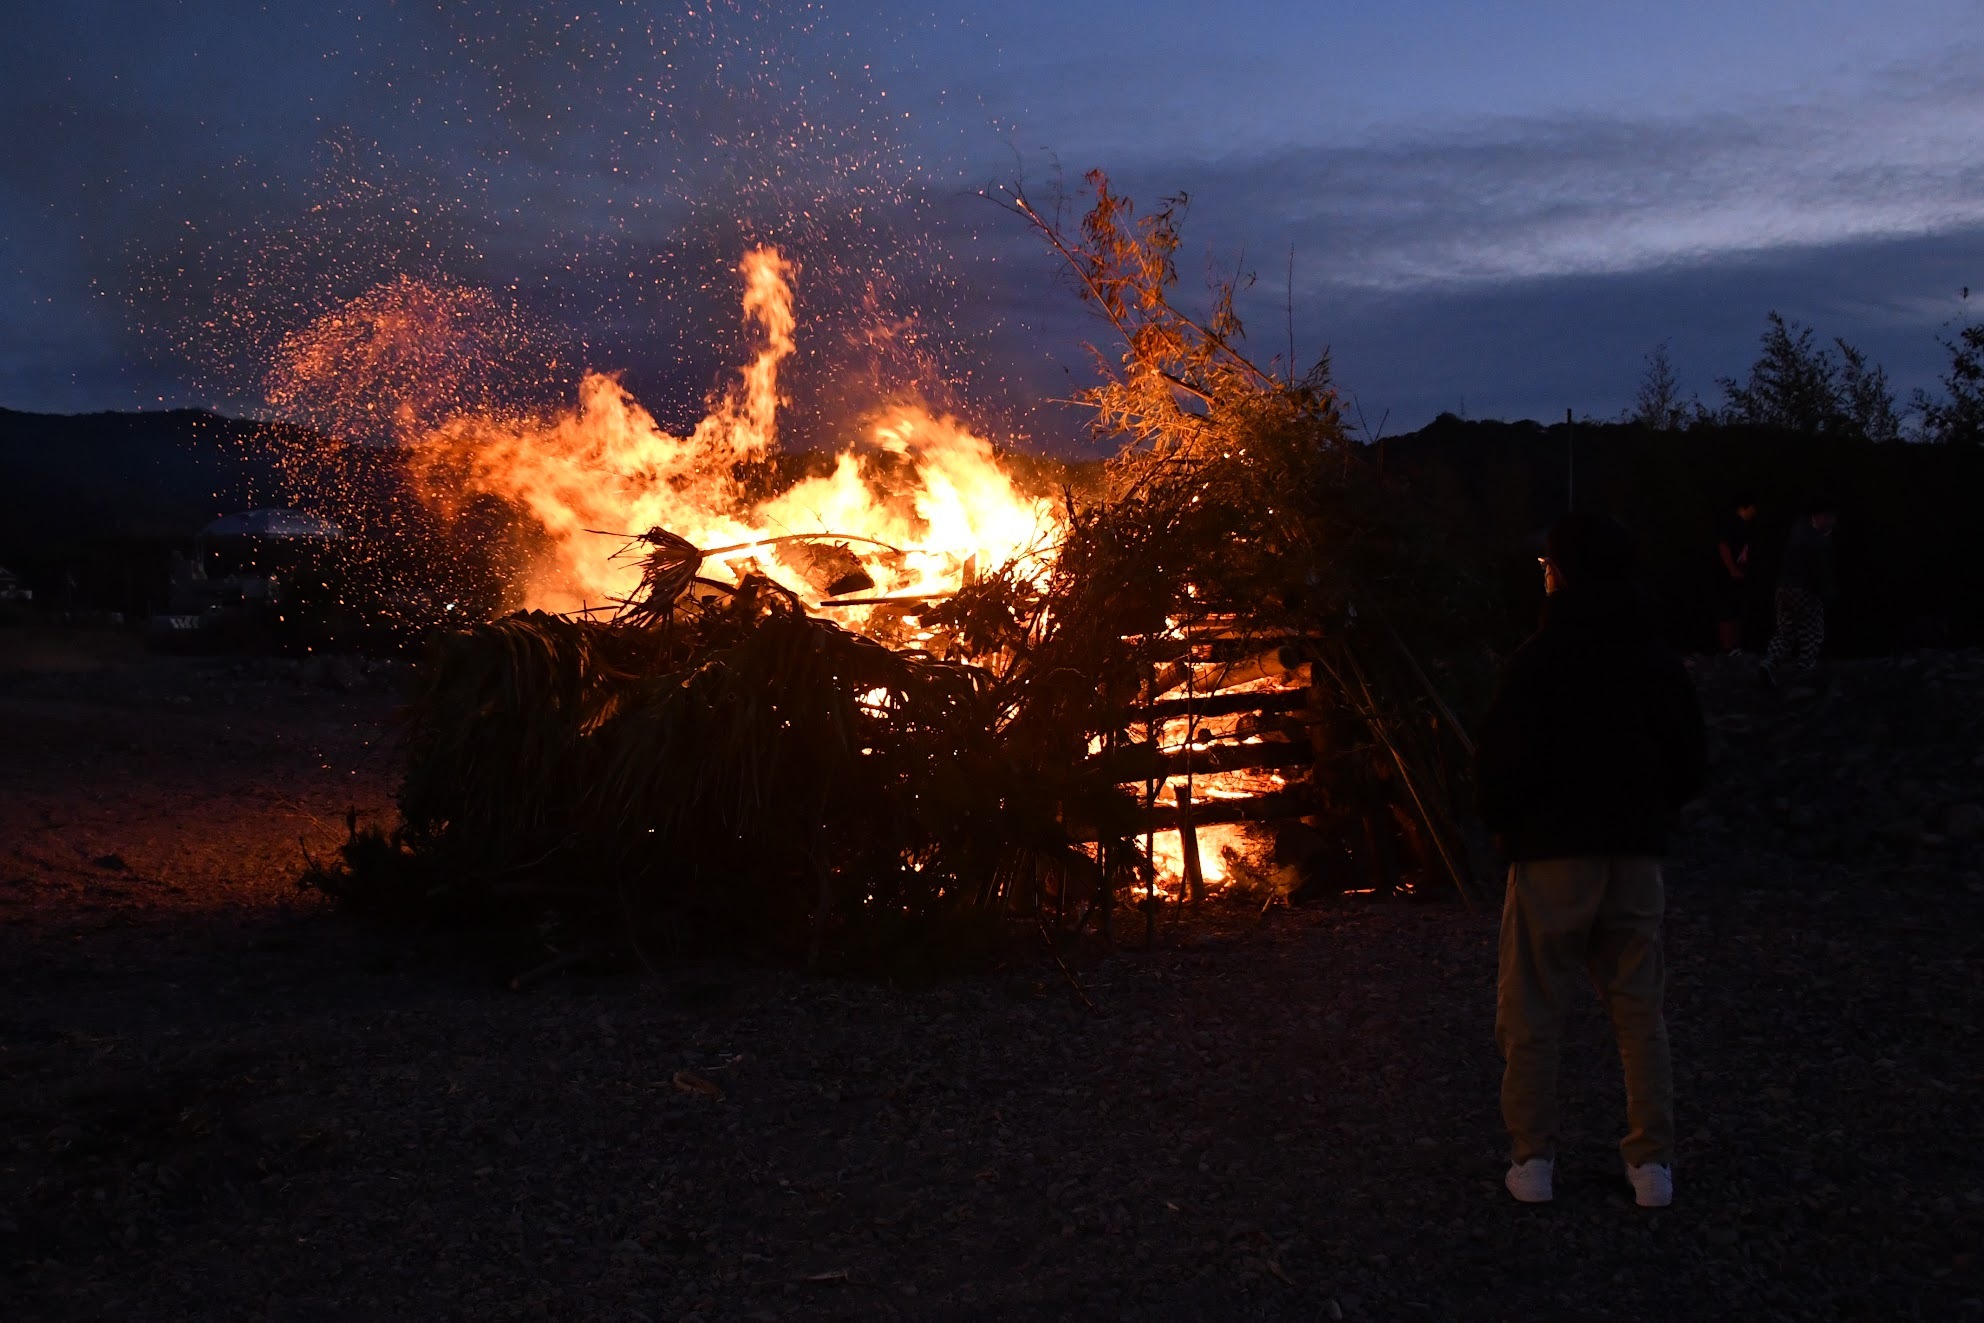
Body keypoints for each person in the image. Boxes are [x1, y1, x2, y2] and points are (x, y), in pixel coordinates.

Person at [1474, 512, 1706, 1208]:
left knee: (1534, 1007)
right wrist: (1650, 808)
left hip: (1552, 857)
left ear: (1560, 573)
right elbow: (1689, 760)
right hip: (1634, 851)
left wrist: (1507, 827)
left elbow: (1499, 769)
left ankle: (1533, 1159)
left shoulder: (1536, 662)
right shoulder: (1656, 660)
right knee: (1639, 1008)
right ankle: (1651, 1165)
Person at [1759, 497, 1838, 686]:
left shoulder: (1798, 529)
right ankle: (1804, 671)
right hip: (1803, 590)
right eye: (1829, 518)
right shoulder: (1816, 539)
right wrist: (1828, 594)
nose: (1832, 523)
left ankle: (1768, 664)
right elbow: (1820, 571)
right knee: (1813, 631)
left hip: (1782, 588)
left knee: (1786, 632)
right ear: (1821, 517)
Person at [1714, 493, 1759, 652]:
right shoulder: (1731, 522)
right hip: (1728, 576)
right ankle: (1727, 648)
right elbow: (1723, 545)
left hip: (1740, 575)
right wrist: (1732, 569)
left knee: (1738, 610)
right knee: (1727, 610)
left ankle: (1735, 647)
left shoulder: (1746, 526)